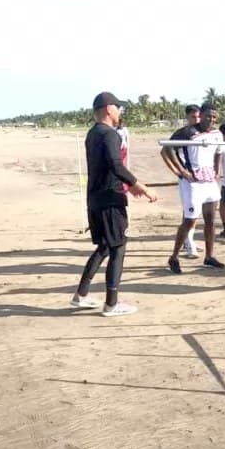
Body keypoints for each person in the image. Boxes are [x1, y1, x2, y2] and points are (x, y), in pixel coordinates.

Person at [71, 92, 157, 316]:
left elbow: (110, 167)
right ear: (109, 109)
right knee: (118, 247)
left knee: (105, 246)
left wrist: (131, 186)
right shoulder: (109, 134)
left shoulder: (92, 133)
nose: (120, 112)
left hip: (96, 199)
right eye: (118, 108)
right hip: (110, 200)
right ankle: (111, 303)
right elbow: (116, 166)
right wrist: (141, 187)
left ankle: (81, 295)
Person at [166, 103, 225, 274]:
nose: (211, 119)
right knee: (190, 220)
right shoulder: (188, 132)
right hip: (192, 183)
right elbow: (166, 150)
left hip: (209, 182)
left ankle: (209, 257)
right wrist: (181, 171)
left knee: (210, 220)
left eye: (214, 117)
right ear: (201, 115)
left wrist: (216, 170)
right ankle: (174, 257)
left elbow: (218, 152)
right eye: (208, 116)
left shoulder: (217, 134)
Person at [160, 104, 202, 257]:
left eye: (198, 117)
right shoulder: (182, 133)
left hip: (200, 179)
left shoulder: (201, 132)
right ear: (187, 117)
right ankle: (189, 245)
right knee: (189, 213)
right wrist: (179, 171)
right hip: (187, 179)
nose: (196, 119)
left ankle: (188, 240)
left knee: (194, 212)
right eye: (193, 117)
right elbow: (165, 151)